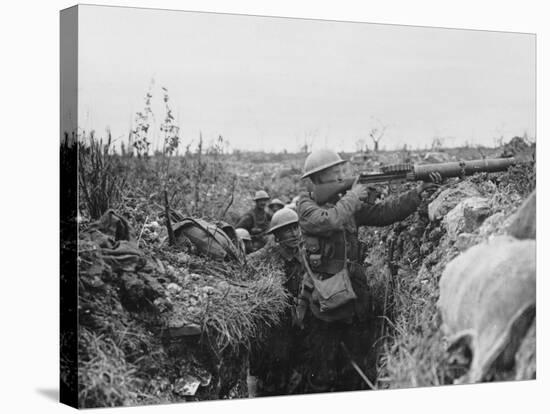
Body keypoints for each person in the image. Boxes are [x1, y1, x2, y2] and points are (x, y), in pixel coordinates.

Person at [295, 149, 441, 392]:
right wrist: (353, 195)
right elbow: (329, 220)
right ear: (318, 179)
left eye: (342, 173)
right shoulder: (306, 206)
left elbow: (383, 213)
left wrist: (417, 194)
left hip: (354, 300)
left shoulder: (346, 203)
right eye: (336, 175)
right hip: (323, 303)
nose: (342, 176)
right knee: (321, 374)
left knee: (356, 372)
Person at [247, 208, 306, 396]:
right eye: (287, 230)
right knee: (270, 377)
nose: (295, 234)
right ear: (277, 235)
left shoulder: (304, 257)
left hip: (298, 325)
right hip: (273, 329)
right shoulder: (262, 258)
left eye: (296, 228)